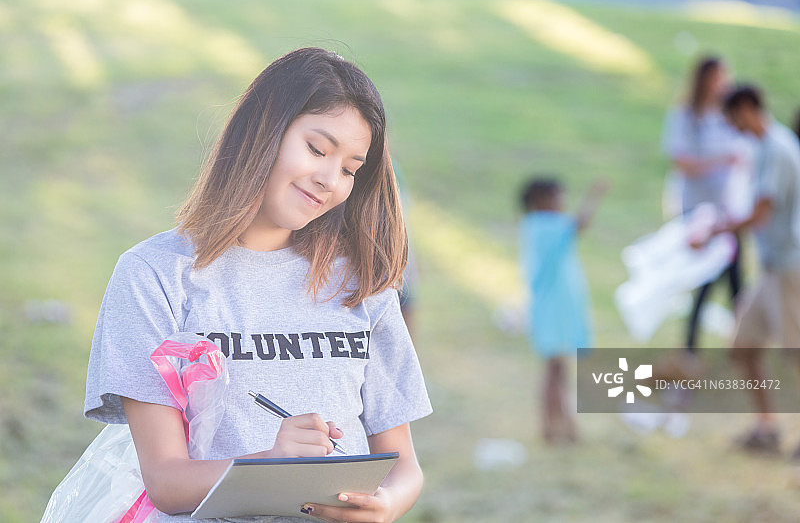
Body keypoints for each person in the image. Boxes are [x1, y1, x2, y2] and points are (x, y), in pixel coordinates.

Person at [83, 47, 433, 522]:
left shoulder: (363, 285)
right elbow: (167, 481)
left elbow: (405, 465)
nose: (331, 179)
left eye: (351, 168)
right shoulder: (154, 275)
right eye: (317, 149)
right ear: (263, 131)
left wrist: (384, 504)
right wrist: (271, 466)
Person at [711, 84, 800, 456]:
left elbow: (761, 213)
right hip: (770, 267)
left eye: (732, 118)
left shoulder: (778, 148)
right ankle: (767, 427)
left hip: (788, 266)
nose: (733, 127)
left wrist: (718, 230)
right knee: (743, 345)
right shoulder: (765, 148)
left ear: (747, 108)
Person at [661, 55, 753, 352]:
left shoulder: (730, 115)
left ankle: (741, 346)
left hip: (729, 211)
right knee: (705, 281)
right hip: (699, 212)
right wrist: (720, 161)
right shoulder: (686, 115)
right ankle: (692, 348)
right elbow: (682, 162)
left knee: (736, 280)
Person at [518, 177, 608, 443]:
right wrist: (594, 196)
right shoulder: (542, 226)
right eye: (557, 197)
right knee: (554, 369)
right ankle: (554, 425)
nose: (562, 203)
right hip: (552, 310)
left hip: (555, 308)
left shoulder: (538, 226)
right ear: (539, 201)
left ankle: (562, 424)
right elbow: (580, 224)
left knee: (558, 369)